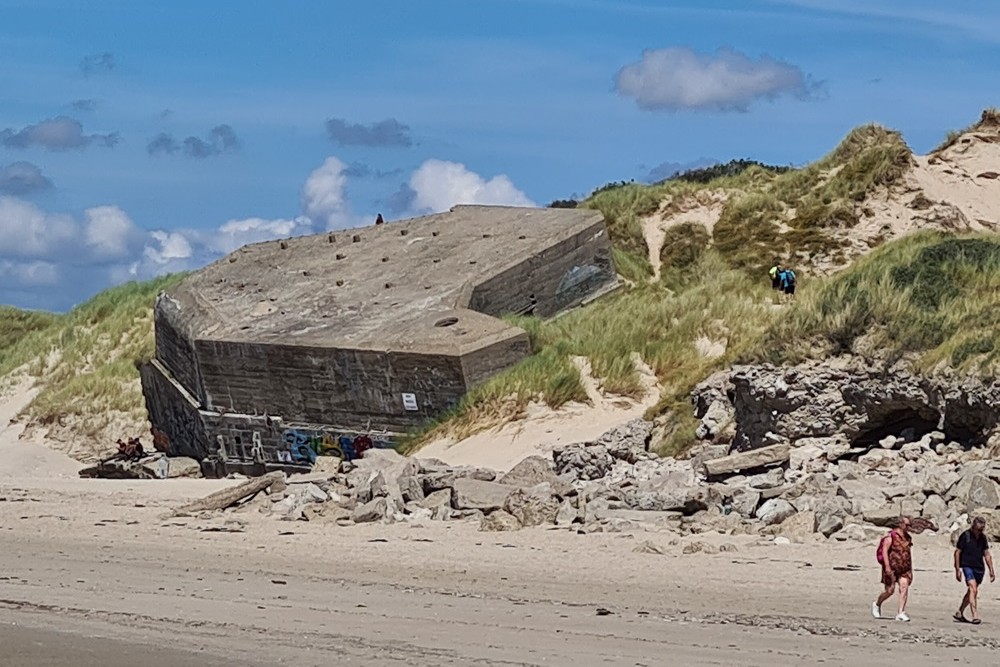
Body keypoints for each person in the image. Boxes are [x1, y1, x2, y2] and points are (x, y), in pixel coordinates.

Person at [954, 516, 996, 625]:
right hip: (967, 566)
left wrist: (991, 569)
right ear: (973, 527)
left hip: (979, 568)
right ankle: (975, 616)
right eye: (978, 529)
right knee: (973, 589)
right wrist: (957, 569)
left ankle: (960, 611)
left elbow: (986, 554)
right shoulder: (965, 536)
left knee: (971, 591)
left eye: (982, 529)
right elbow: (957, 552)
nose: (980, 531)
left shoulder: (983, 538)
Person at [872, 516, 914, 622]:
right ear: (900, 524)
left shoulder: (908, 537)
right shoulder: (890, 537)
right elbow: (885, 552)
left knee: (904, 587)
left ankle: (901, 612)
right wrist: (887, 567)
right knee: (890, 591)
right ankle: (877, 603)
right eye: (907, 525)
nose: (909, 527)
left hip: (905, 568)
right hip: (892, 567)